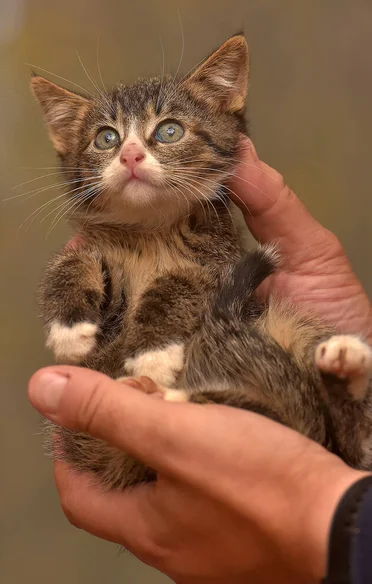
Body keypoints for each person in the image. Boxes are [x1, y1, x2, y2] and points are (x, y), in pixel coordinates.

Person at [28, 139, 372, 584]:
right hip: (181, 425)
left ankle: (345, 414)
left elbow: (197, 285)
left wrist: (315, 517)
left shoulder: (207, 234)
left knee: (292, 338)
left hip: (258, 398)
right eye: (106, 139)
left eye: (167, 131)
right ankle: (344, 414)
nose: (131, 153)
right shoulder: (96, 246)